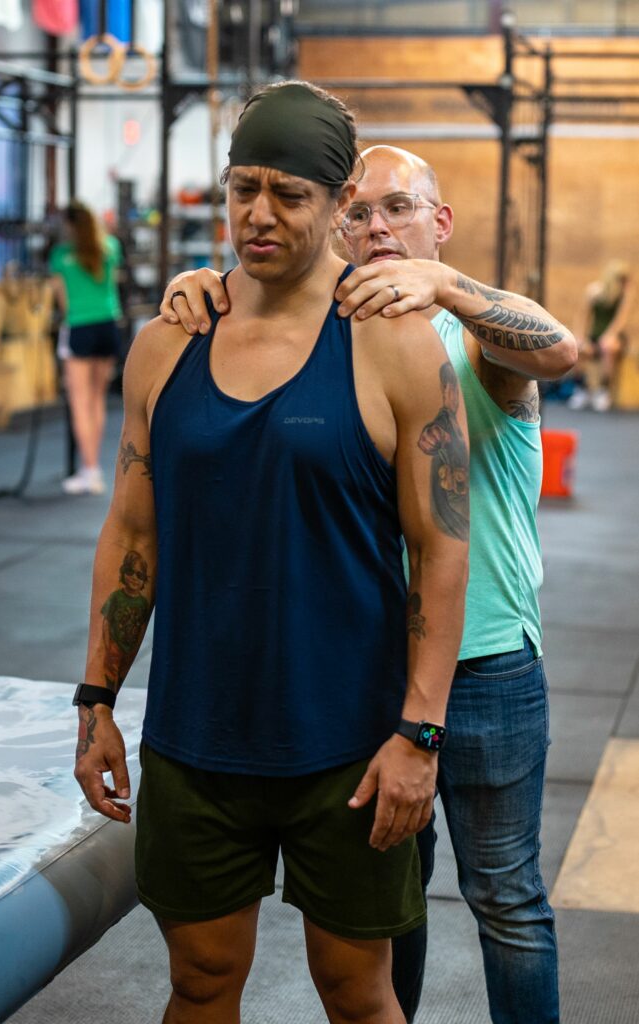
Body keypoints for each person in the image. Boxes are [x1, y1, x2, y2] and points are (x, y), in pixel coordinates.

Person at [73, 85, 470, 1024]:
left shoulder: (395, 346)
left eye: (287, 193)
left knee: (357, 993)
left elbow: (441, 554)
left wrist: (420, 734)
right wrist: (95, 700)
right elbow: (132, 535)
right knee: (200, 984)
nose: (258, 213)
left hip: (349, 747)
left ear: (338, 204)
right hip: (196, 737)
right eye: (241, 187)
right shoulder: (166, 345)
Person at [160, 143, 578, 1024]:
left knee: (504, 898)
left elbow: (561, 349)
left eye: (398, 207)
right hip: (375, 676)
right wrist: (208, 281)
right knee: (389, 909)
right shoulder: (342, 336)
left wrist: (450, 289)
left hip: (489, 668)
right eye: (359, 212)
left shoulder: (476, 336)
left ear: (440, 221)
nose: (377, 227)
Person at [50, 200, 123, 494]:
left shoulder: (61, 255)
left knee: (80, 402)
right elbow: (113, 283)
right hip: (107, 325)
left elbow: (62, 299)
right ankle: (92, 470)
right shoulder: (111, 247)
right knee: (96, 400)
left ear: (69, 226)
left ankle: (89, 470)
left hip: (79, 326)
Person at [568, 259, 634, 412]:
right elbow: (582, 316)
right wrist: (580, 337)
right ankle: (580, 389)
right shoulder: (594, 291)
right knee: (577, 346)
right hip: (595, 335)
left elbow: (620, 320)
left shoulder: (625, 294)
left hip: (615, 336)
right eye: (620, 279)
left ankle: (602, 391)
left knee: (607, 346)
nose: (624, 283)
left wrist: (609, 336)